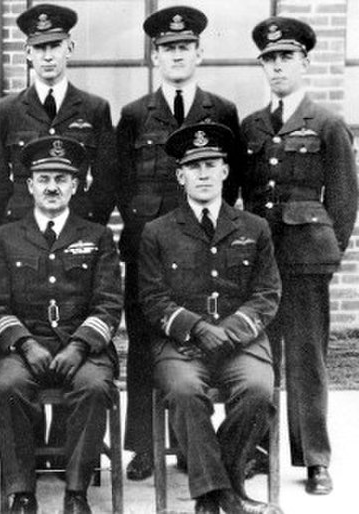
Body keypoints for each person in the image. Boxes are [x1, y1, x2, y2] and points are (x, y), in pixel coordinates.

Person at [116, 5, 243, 481]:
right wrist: (143, 232)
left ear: (199, 52)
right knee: (147, 343)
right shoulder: (134, 115)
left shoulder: (221, 112)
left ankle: (196, 445)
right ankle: (146, 445)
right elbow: (121, 183)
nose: (176, 55)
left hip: (205, 250)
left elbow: (231, 187)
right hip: (147, 250)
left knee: (202, 342)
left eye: (184, 47)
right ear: (155, 57)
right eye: (167, 48)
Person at [241, 16, 358, 495]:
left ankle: (315, 458)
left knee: (307, 357)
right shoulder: (251, 126)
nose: (277, 67)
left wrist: (328, 252)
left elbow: (345, 200)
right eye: (269, 59)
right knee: (259, 356)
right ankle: (260, 450)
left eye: (286, 57)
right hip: (260, 262)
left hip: (307, 259)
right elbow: (243, 196)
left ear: (305, 61)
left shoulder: (326, 123)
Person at [139, 122, 283, 514]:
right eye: (194, 166)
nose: (203, 174)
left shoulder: (255, 228)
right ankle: (225, 497)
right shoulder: (157, 232)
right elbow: (152, 299)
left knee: (257, 390)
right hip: (182, 345)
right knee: (185, 392)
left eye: (212, 164)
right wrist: (197, 328)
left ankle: (214, 487)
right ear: (180, 175)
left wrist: (230, 332)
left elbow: (267, 294)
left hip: (242, 343)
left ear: (225, 171)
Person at [0, 135, 122, 514]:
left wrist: (79, 346)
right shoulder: (5, 238)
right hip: (24, 347)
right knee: (9, 386)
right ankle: (22, 492)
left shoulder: (97, 237)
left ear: (76, 186)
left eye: (62, 178)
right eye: (43, 178)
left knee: (94, 387)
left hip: (84, 347)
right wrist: (26, 344)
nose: (52, 187)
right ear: (29, 185)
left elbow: (108, 304)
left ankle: (76, 492)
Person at [0, 3, 117, 227]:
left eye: (55, 46)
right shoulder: (7, 109)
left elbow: (107, 179)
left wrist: (90, 221)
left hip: (78, 226)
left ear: (70, 48)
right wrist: (10, 223)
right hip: (21, 227)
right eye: (39, 48)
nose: (47, 56)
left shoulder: (95, 109)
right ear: (27, 53)